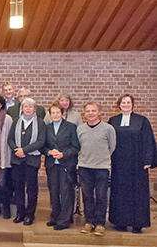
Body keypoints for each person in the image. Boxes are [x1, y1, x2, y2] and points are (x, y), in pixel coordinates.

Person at [108, 94, 157, 234]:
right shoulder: (113, 120)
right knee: (120, 191)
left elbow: (148, 141)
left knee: (138, 193)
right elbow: (109, 141)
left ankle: (138, 223)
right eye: (123, 102)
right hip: (119, 163)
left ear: (133, 104)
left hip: (137, 164)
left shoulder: (142, 121)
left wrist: (148, 160)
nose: (126, 104)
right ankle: (120, 222)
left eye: (128, 102)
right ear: (119, 104)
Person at [77, 102, 116, 236]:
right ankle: (89, 221)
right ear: (84, 113)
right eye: (88, 111)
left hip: (101, 167)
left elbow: (112, 147)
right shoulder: (80, 129)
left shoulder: (108, 128)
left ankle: (100, 223)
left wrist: (102, 159)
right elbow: (79, 146)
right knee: (87, 196)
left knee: (101, 196)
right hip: (84, 167)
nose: (90, 113)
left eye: (93, 111)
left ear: (99, 112)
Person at [8, 97, 46, 226]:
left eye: (30, 107)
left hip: (32, 161)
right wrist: (16, 150)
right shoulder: (16, 121)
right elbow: (10, 139)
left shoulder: (40, 123)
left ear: (34, 109)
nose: (28, 109)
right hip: (17, 160)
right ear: (22, 109)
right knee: (18, 188)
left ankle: (30, 215)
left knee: (31, 189)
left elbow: (41, 141)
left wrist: (24, 150)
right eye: (26, 107)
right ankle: (20, 213)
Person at [43, 102, 80, 231]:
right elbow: (43, 146)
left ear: (62, 113)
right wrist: (49, 152)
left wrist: (63, 154)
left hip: (66, 164)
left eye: (58, 112)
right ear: (50, 114)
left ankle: (64, 220)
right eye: (53, 112)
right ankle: (55, 217)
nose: (55, 115)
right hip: (51, 164)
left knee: (65, 192)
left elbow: (76, 147)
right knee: (54, 192)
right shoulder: (46, 127)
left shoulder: (70, 127)